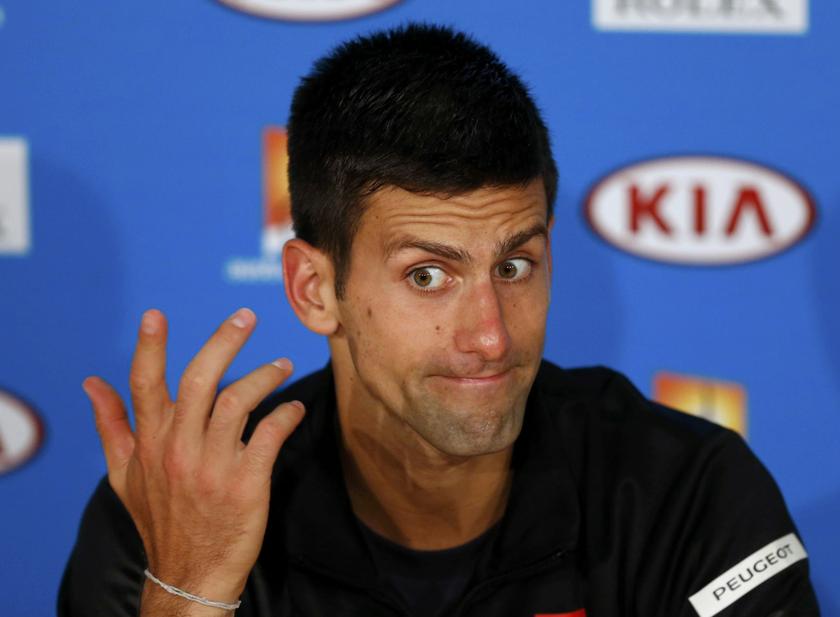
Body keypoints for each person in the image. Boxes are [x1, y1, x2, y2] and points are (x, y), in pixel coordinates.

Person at [58, 23, 819, 617]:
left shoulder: (685, 492)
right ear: (314, 288)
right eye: (428, 275)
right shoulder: (177, 514)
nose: (491, 334)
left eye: (515, 266)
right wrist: (189, 590)